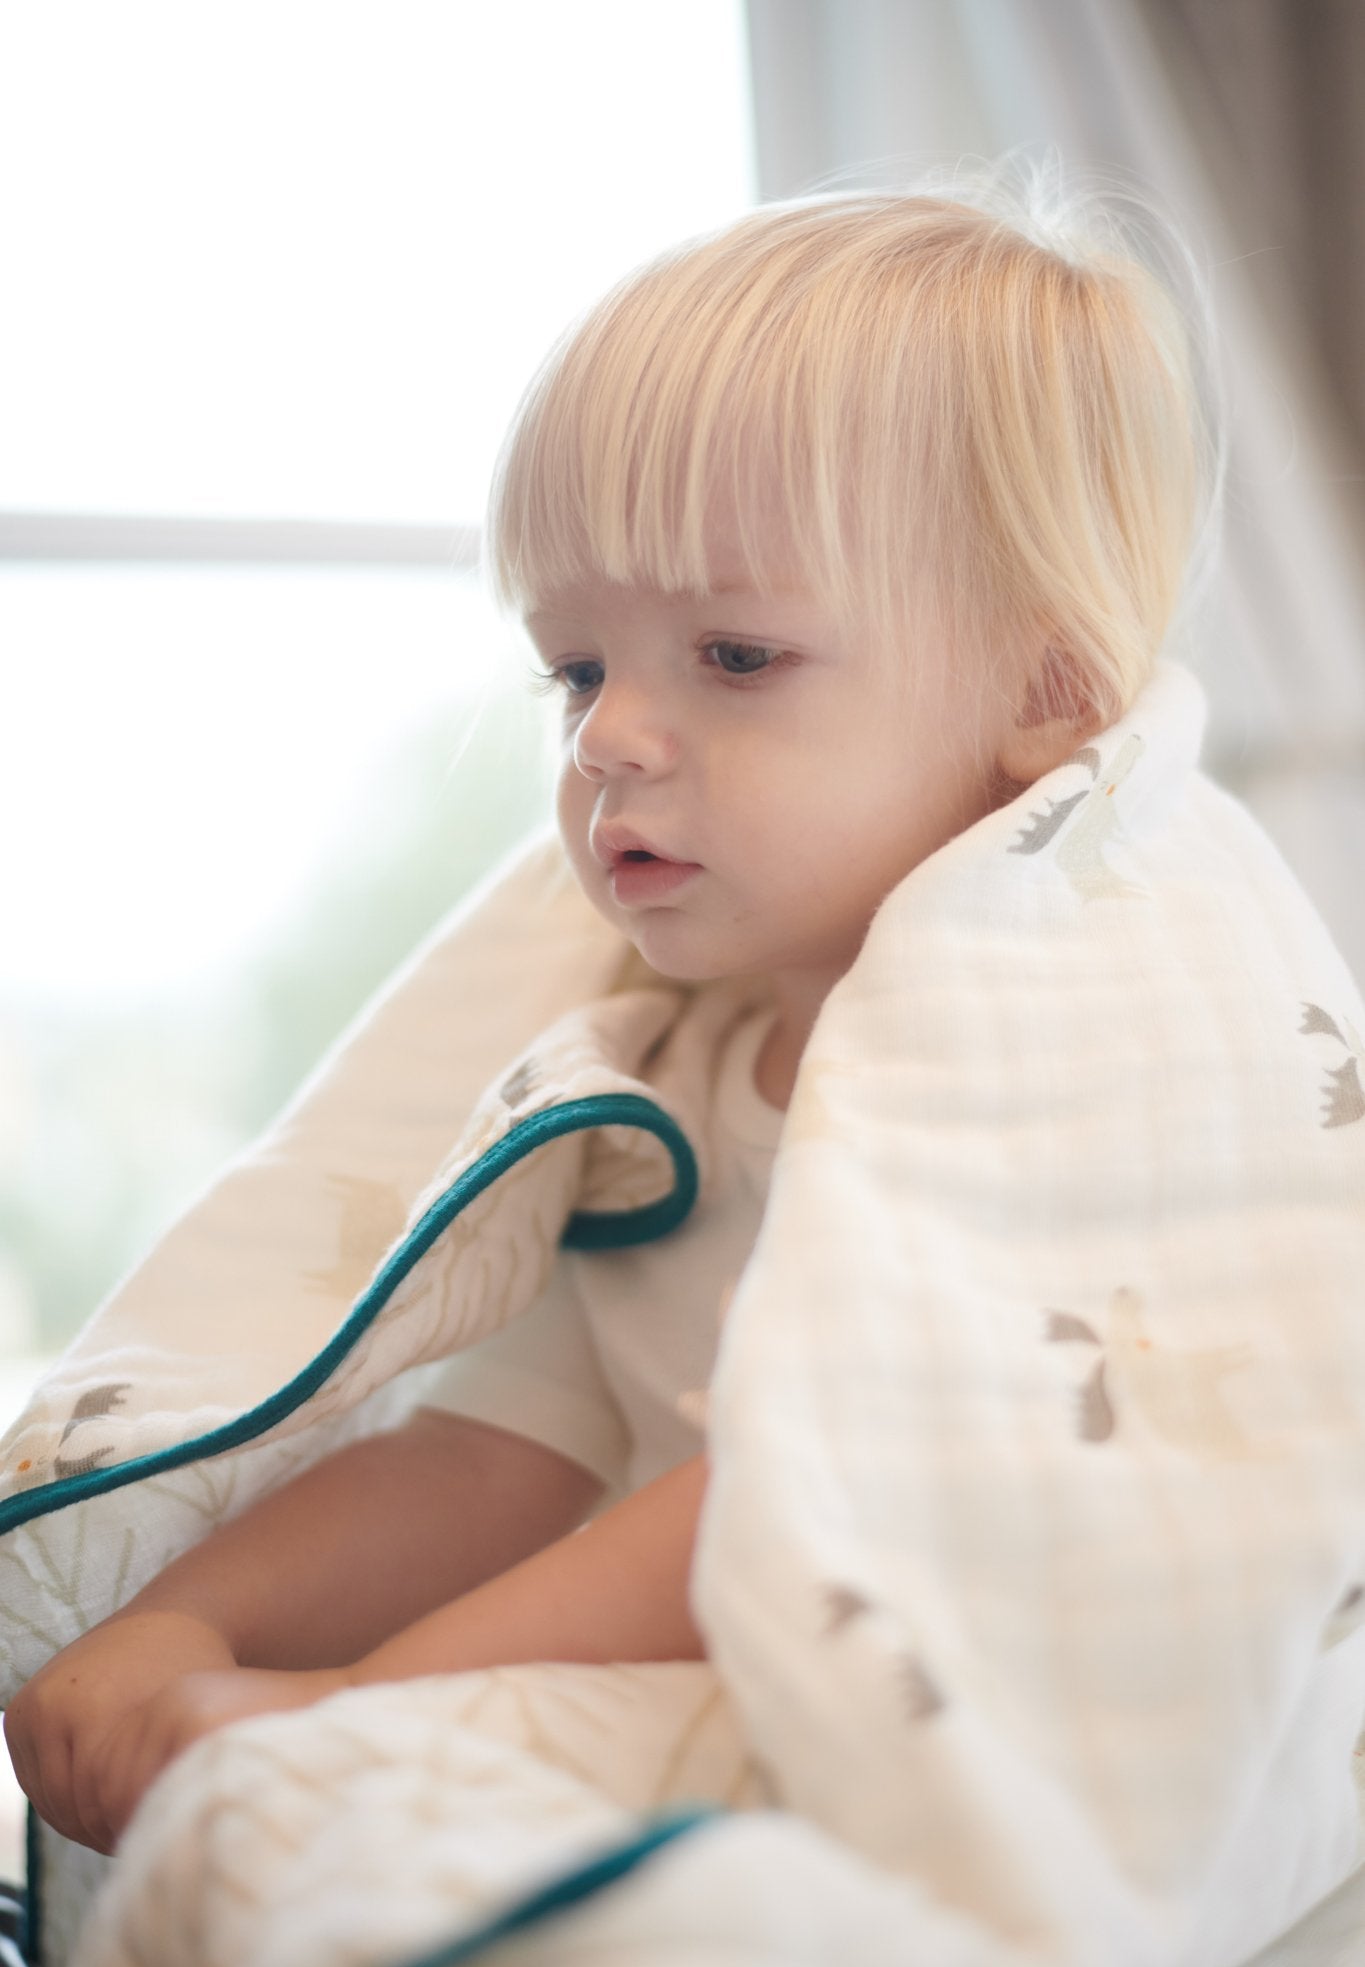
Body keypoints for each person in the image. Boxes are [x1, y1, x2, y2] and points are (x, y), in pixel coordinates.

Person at [3, 157, 1220, 1859]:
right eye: (575, 667)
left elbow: (799, 1484)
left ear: (1047, 695)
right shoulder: (667, 1088)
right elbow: (493, 1452)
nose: (605, 737)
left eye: (735, 656)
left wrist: (355, 1705)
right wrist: (189, 1621)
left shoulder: (1059, 1073)